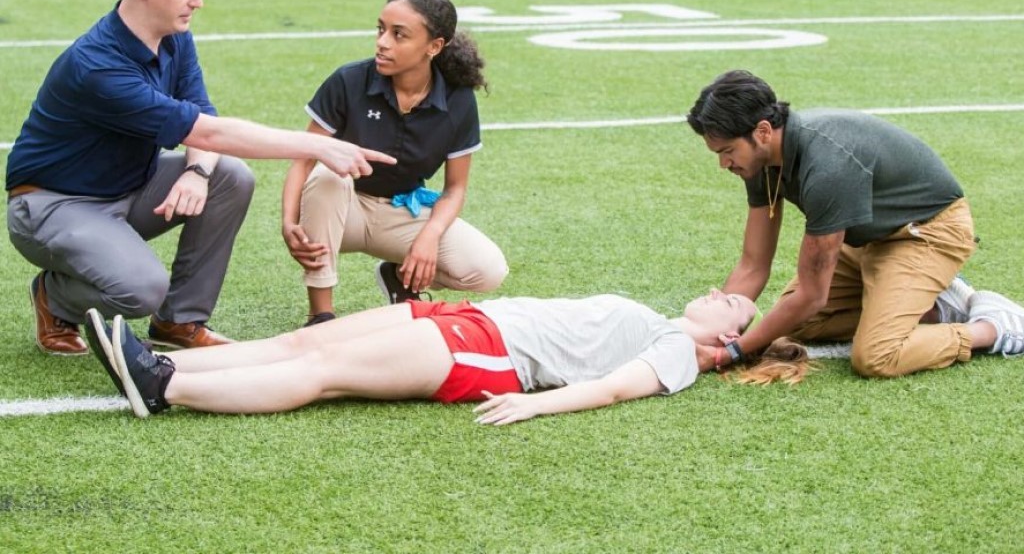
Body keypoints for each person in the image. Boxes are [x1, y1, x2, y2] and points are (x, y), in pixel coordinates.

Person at [5, 0, 395, 357]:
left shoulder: (175, 37)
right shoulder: (97, 66)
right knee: (141, 290)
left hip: (126, 187)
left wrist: (195, 171)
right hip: (52, 205)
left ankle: (180, 320)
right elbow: (207, 131)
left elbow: (202, 116)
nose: (198, 1)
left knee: (228, 176)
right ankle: (55, 298)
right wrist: (318, 145)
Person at [685, 69, 1024, 378]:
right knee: (801, 323)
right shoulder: (757, 162)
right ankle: (932, 308)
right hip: (871, 239)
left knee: (876, 355)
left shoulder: (827, 168)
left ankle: (994, 327)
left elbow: (812, 295)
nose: (723, 163)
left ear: (761, 132)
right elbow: (753, 264)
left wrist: (729, 352)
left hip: (927, 232)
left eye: (726, 151)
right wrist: (717, 329)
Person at [85, 288, 783, 422]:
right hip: (469, 319)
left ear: (729, 342)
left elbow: (615, 389)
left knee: (323, 375)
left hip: (486, 352)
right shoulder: (666, 321)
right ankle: (146, 359)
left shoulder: (681, 354)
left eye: (734, 306)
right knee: (303, 341)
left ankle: (165, 389)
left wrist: (533, 404)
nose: (723, 291)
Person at [281, 0, 507, 327]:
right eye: (380, 29)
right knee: (329, 175)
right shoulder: (349, 80)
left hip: (401, 213)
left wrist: (428, 238)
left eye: (399, 35)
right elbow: (304, 158)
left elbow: (455, 189)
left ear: (434, 47)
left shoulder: (458, 100)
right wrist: (288, 221)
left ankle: (400, 277)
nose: (383, 42)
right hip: (340, 211)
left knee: (487, 270)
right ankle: (321, 314)